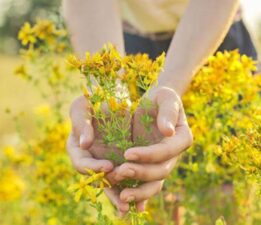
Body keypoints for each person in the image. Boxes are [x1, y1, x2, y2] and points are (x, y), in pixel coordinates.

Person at [63, 0, 257, 215]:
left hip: (213, 35)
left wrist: (171, 83)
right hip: (127, 44)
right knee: (146, 200)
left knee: (221, 199)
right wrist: (107, 94)